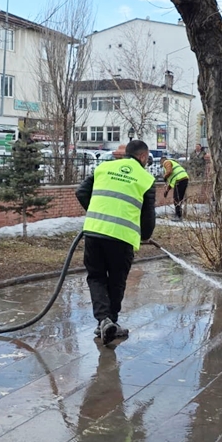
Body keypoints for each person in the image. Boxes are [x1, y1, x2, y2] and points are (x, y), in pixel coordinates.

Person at [75, 139, 156, 346]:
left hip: (94, 232)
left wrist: (98, 214)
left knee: (96, 277)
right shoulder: (145, 178)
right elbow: (148, 216)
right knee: (116, 280)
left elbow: (81, 192)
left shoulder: (104, 168)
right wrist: (145, 235)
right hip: (122, 237)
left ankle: (104, 321)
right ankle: (110, 321)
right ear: (143, 156)